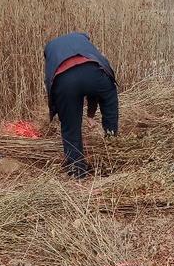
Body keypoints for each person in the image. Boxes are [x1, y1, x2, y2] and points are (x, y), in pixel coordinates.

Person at [43, 31, 119, 178]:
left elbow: (50, 84)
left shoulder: (51, 51)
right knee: (109, 103)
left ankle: (77, 170)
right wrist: (91, 115)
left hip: (64, 82)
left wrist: (59, 110)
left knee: (70, 127)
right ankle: (113, 148)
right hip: (95, 74)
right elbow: (93, 81)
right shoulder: (87, 46)